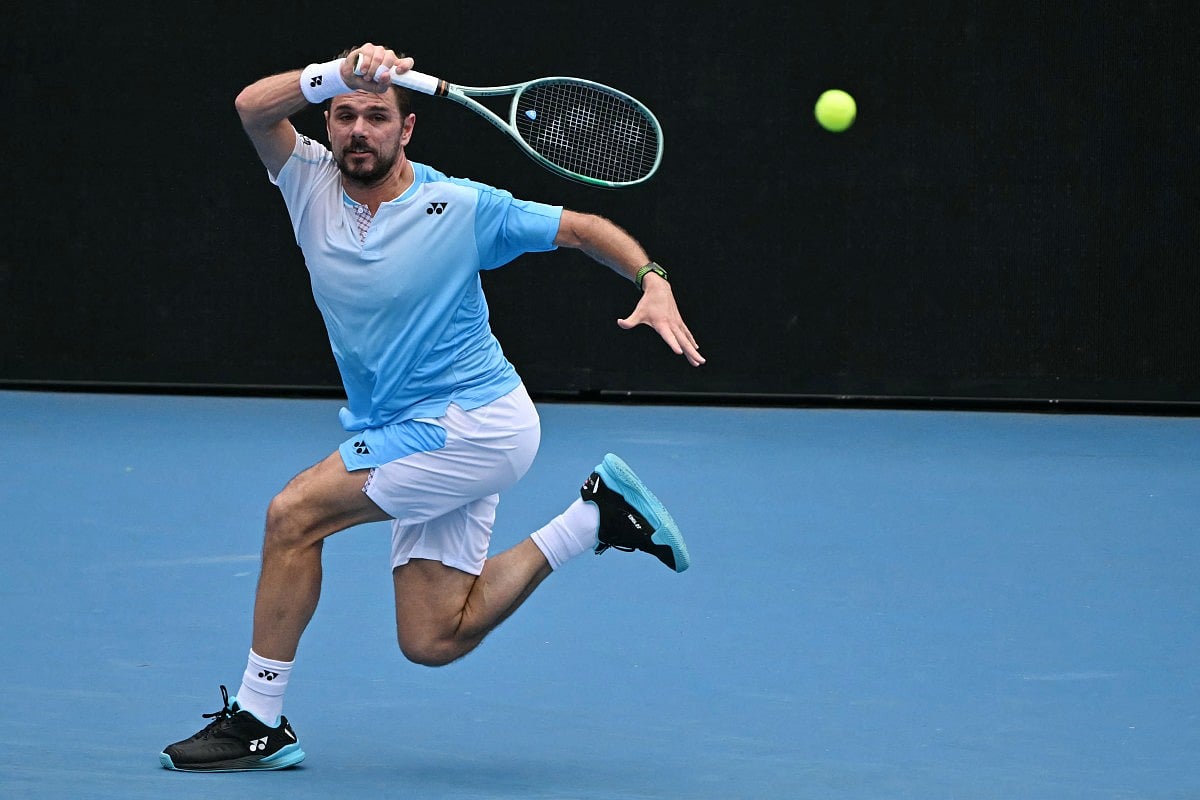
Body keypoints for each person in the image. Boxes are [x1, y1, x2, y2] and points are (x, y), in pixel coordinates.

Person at [159, 42, 704, 772]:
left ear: (406, 129)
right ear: (326, 121)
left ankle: (258, 719)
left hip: (472, 424)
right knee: (432, 637)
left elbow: (581, 228)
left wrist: (651, 277)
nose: (359, 130)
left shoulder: (463, 207)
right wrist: (340, 72)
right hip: (409, 427)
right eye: (344, 115)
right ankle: (594, 518)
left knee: (294, 515)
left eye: (376, 116)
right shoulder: (305, 179)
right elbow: (251, 108)